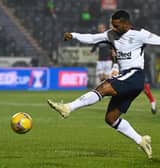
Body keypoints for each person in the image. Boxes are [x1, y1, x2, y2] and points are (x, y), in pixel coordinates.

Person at [47, 10, 160, 159]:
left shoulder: (140, 34)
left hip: (135, 75)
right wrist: (74, 35)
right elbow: (92, 38)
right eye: (112, 25)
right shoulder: (111, 35)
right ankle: (141, 140)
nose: (113, 28)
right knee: (111, 118)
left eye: (116, 25)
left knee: (104, 87)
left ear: (126, 24)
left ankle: (67, 108)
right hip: (125, 77)